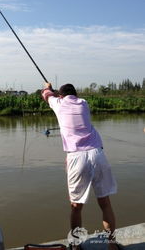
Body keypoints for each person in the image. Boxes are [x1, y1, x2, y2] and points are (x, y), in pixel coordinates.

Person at [42, 83, 119, 250]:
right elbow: (61, 97)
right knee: (105, 203)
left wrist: (48, 87)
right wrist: (57, 94)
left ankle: (76, 245)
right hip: (98, 154)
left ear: (61, 96)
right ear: (76, 94)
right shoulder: (84, 103)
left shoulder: (58, 104)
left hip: (77, 157)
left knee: (76, 206)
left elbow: (45, 94)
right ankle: (112, 245)